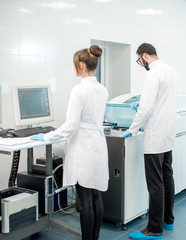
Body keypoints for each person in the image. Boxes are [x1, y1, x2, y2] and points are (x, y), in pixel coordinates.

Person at [31, 45, 109, 240]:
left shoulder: (79, 90)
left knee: (85, 199)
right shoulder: (102, 89)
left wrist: (46, 137)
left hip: (84, 147)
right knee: (96, 196)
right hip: (98, 146)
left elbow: (71, 126)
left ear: (81, 65)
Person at [123, 43, 177, 240]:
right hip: (168, 133)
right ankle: (168, 220)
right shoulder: (170, 71)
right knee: (167, 177)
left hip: (155, 135)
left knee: (155, 184)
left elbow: (145, 108)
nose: (140, 64)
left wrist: (132, 129)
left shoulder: (153, 74)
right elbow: (161, 101)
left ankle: (154, 229)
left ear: (145, 55)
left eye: (139, 60)